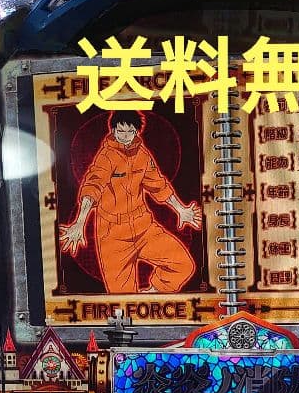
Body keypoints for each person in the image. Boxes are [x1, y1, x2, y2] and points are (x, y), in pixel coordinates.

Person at [59, 110, 202, 293]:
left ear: (136, 131)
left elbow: (158, 185)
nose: (125, 136)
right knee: (122, 298)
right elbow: (92, 187)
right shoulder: (106, 156)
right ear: (113, 130)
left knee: (183, 265)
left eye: (129, 132)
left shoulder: (142, 155)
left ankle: (152, 294)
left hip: (144, 227)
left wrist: (180, 209)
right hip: (113, 237)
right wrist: (80, 222)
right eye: (120, 131)